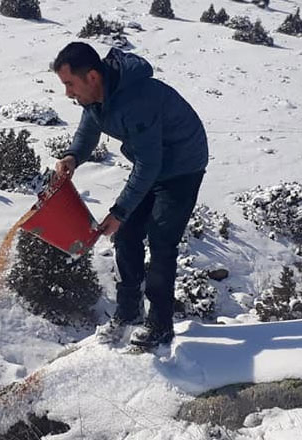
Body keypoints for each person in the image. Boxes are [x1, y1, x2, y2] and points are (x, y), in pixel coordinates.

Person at [52, 42, 209, 348]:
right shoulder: (97, 96)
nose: (68, 93)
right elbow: (89, 128)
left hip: (182, 165)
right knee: (125, 235)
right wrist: (73, 156)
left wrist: (119, 211)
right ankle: (128, 312)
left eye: (70, 84)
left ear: (92, 77)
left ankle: (161, 324)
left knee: (162, 240)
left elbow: (150, 164)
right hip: (153, 163)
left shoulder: (137, 101)